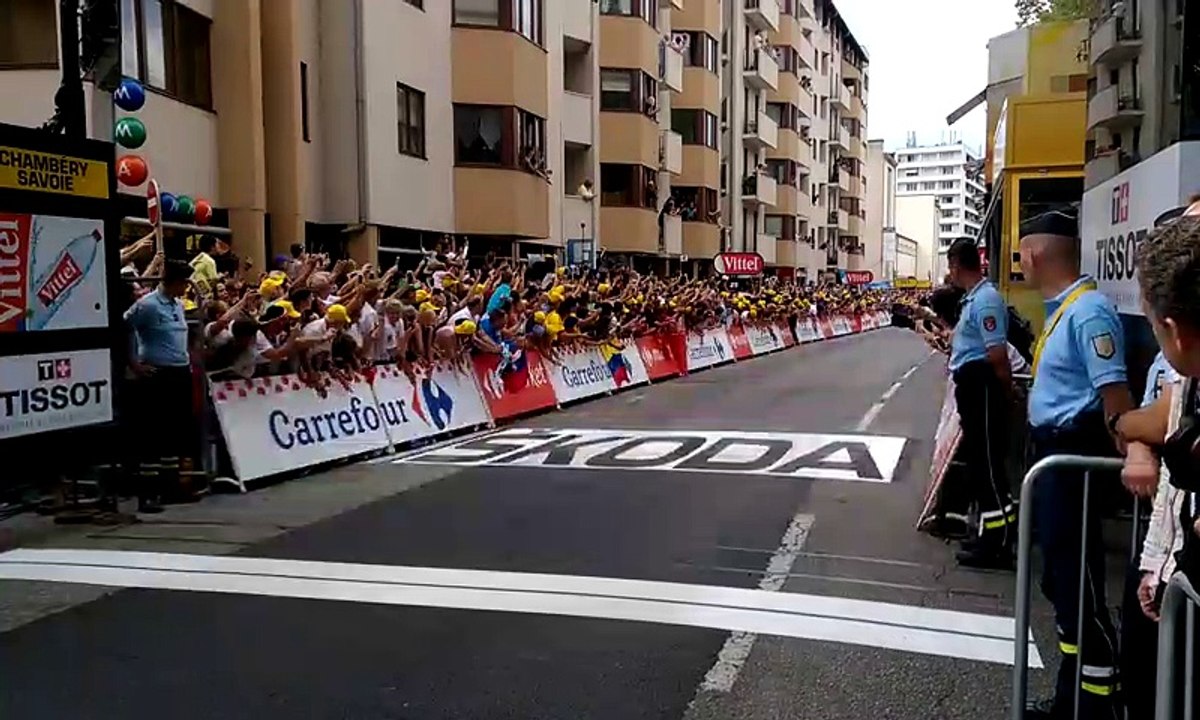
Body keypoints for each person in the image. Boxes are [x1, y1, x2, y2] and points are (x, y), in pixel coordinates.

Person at [1020, 208, 1134, 720]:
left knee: (1081, 589)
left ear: (1035, 253)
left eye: (1021, 253)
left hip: (1074, 466)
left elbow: (1116, 401)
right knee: (1063, 586)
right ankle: (1073, 698)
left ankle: (1095, 706)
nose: (1020, 262)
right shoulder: (1065, 309)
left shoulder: (1088, 313)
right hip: (1053, 461)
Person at [943, 238, 1017, 568]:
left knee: (988, 467)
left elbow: (997, 354)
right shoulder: (973, 300)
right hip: (972, 387)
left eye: (950, 266)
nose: (950, 273)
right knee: (979, 466)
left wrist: (1006, 391)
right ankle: (988, 534)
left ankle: (998, 543)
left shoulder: (985, 300)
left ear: (957, 264)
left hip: (983, 387)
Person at [123, 258, 198, 513]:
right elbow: (124, 328)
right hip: (157, 375)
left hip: (179, 373)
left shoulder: (177, 305)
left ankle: (171, 488)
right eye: (184, 282)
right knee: (153, 434)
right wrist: (134, 362)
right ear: (173, 281)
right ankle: (148, 493)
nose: (187, 287)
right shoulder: (147, 306)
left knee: (175, 433)